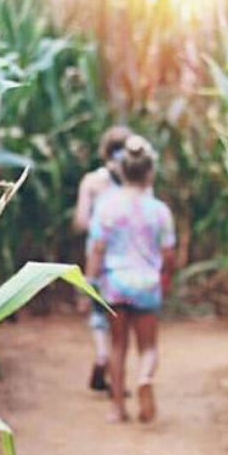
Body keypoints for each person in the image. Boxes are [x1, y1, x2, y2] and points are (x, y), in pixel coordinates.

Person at [85, 136, 175, 423]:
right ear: (150, 173)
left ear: (122, 171)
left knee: (117, 345)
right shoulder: (159, 210)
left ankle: (117, 407)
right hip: (147, 283)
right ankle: (145, 377)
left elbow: (97, 248)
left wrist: (88, 282)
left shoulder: (107, 206)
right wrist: (164, 280)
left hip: (115, 284)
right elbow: (169, 253)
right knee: (148, 347)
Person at [74, 125, 133, 392]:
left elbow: (81, 221)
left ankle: (101, 354)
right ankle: (118, 373)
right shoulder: (137, 178)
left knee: (99, 311)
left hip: (97, 254)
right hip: (127, 256)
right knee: (121, 315)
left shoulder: (92, 182)